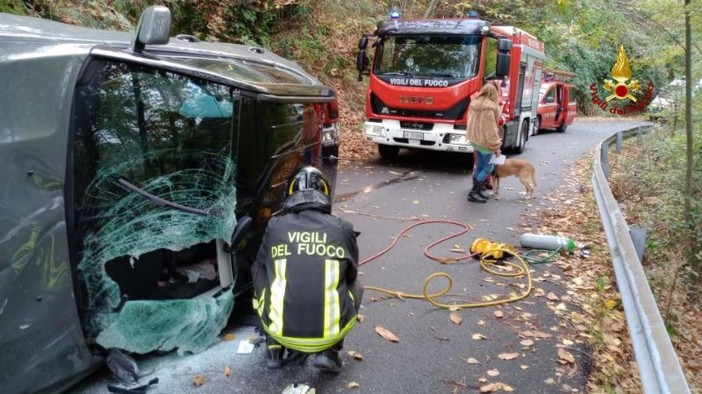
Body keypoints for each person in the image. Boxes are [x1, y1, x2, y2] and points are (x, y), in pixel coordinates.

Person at [252, 166, 362, 373]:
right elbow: (352, 274)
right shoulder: (343, 227)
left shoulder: (275, 226)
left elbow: (262, 263)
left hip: (279, 331)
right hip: (329, 334)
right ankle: (330, 351)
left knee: (259, 268)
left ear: (290, 195)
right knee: (357, 285)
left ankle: (273, 347)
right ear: (326, 195)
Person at [466, 83, 503, 203]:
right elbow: (490, 129)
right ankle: (473, 192)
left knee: (480, 165)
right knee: (488, 167)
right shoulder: (490, 108)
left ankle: (476, 191)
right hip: (485, 143)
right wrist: (496, 146)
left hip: (475, 140)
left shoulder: (475, 105)